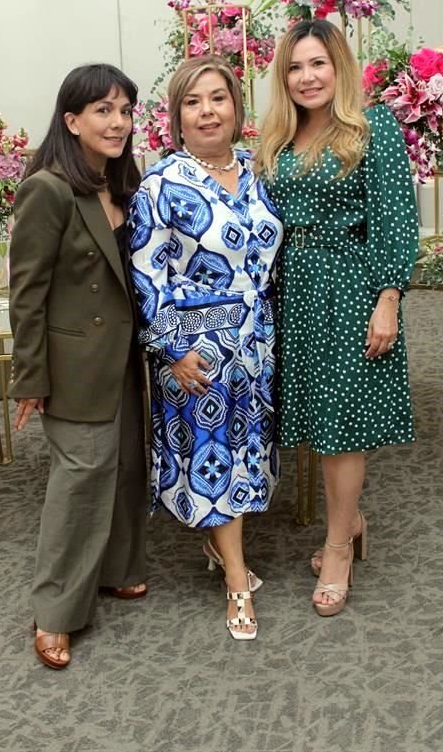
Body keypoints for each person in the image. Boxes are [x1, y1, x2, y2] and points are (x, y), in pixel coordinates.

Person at [256, 19, 419, 617]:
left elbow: (396, 220)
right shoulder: (279, 137)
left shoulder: (373, 129)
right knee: (321, 423)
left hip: (351, 290)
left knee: (343, 425)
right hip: (296, 292)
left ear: (339, 67)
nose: (307, 77)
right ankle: (351, 522)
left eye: (318, 64)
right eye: (295, 67)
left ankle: (337, 549)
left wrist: (388, 299)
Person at [129, 55, 283, 641]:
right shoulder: (160, 184)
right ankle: (238, 581)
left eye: (218, 98)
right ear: (177, 117)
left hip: (256, 341)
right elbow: (147, 275)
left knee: (245, 453)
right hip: (195, 350)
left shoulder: (258, 168)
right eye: (193, 102)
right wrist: (171, 351)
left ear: (237, 107)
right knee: (212, 460)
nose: (207, 111)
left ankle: (222, 551)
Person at [9, 63, 147, 669]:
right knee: (81, 476)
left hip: (122, 357)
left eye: (124, 111)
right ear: (72, 120)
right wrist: (30, 379)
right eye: (103, 111)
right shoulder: (49, 188)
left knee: (123, 465)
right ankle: (55, 612)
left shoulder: (119, 181)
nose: (117, 123)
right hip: (73, 362)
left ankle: (116, 570)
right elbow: (27, 293)